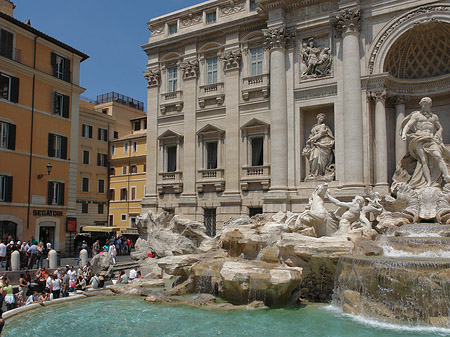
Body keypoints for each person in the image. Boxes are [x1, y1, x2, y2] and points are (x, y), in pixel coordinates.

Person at [399, 97, 450, 188]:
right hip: (419, 138)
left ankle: (446, 175)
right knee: (423, 160)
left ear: (430, 105)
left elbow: (440, 127)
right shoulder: (417, 115)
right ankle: (429, 181)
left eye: (427, 104)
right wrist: (404, 133)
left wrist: (438, 134)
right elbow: (408, 125)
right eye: (423, 104)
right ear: (421, 105)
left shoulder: (434, 117)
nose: (425, 106)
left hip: (431, 139)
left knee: (438, 156)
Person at [302, 113, 335, 180]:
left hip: (322, 144)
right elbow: (311, 135)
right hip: (314, 145)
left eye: (322, 118)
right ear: (318, 118)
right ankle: (313, 173)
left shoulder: (323, 126)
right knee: (315, 157)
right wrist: (309, 142)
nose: (321, 119)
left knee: (318, 157)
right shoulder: (314, 127)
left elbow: (320, 134)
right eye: (320, 118)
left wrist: (312, 139)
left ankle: (320, 173)